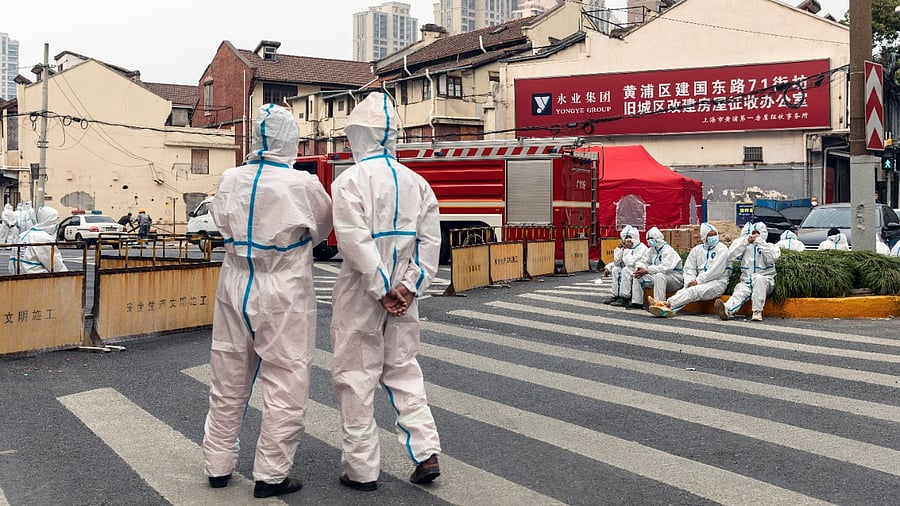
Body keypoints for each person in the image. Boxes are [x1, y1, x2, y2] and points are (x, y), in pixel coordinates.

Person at [201, 103, 333, 499]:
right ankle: (271, 474)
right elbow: (323, 228)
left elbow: (219, 222)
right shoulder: (302, 184)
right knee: (286, 378)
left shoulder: (229, 178)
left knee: (227, 376)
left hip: (235, 278)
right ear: (290, 139)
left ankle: (218, 465)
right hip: (284, 283)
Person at [330, 92, 442, 492]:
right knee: (404, 370)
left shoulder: (349, 182)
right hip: (404, 294)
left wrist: (380, 289)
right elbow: (431, 245)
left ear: (357, 136)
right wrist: (409, 288)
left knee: (356, 377)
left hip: (362, 291)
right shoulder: (419, 184)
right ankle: (426, 452)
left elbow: (353, 241)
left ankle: (360, 470)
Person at [648, 223, 730, 318]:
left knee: (693, 291)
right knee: (683, 292)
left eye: (714, 234)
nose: (713, 237)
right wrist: (689, 282)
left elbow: (716, 271)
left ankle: (664, 304)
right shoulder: (696, 250)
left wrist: (698, 281)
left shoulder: (722, 249)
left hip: (717, 282)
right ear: (704, 237)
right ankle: (665, 309)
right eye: (710, 235)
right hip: (699, 283)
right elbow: (689, 269)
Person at [715, 221, 781, 322]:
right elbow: (731, 255)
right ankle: (726, 309)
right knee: (739, 293)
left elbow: (773, 257)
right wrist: (746, 241)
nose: (754, 235)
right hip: (747, 281)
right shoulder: (744, 247)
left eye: (756, 232)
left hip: (765, 281)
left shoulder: (770, 246)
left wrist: (759, 241)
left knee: (759, 279)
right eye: (752, 232)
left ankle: (757, 311)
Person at [629, 226, 683, 310]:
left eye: (651, 238)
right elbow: (644, 261)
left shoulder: (667, 250)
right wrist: (640, 268)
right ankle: (637, 302)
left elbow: (666, 268)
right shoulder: (651, 250)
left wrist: (647, 270)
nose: (649, 240)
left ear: (657, 238)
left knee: (659, 276)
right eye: (648, 238)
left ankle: (659, 304)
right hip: (659, 277)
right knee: (638, 275)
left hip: (674, 278)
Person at [8, 206, 67, 274]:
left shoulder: (23, 235)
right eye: (56, 220)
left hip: (17, 276)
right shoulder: (43, 238)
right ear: (50, 221)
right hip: (35, 278)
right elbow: (56, 266)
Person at [603, 225, 648, 307]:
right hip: (628, 268)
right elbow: (617, 262)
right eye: (626, 237)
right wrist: (620, 250)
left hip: (637, 270)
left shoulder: (641, 248)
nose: (628, 240)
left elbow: (630, 263)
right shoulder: (625, 248)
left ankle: (625, 298)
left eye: (630, 237)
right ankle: (615, 295)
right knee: (616, 269)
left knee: (626, 270)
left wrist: (626, 249)